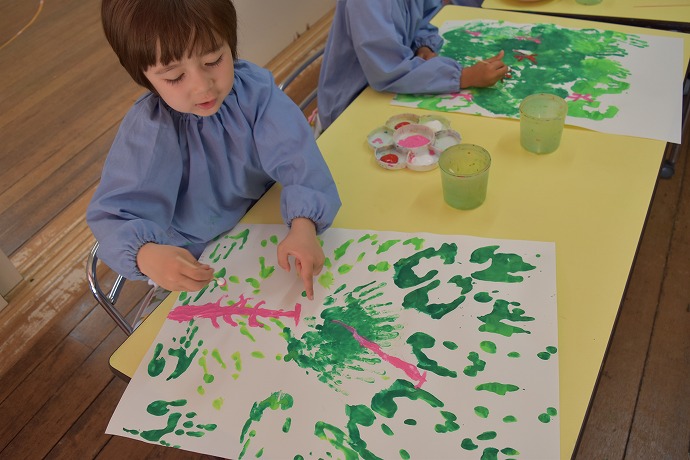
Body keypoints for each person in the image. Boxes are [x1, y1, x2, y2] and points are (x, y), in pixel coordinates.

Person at [87, 0, 341, 300]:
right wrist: (147, 255)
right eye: (174, 77)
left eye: (213, 60)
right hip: (198, 263)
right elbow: (113, 217)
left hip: (267, 226)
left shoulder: (253, 92)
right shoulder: (149, 131)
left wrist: (304, 225)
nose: (203, 87)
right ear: (145, 78)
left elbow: (299, 157)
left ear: (229, 44)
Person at [316, 0, 506, 131]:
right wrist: (466, 76)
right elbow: (387, 70)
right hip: (351, 106)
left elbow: (424, 17)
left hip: (390, 89)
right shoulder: (368, 4)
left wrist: (423, 45)